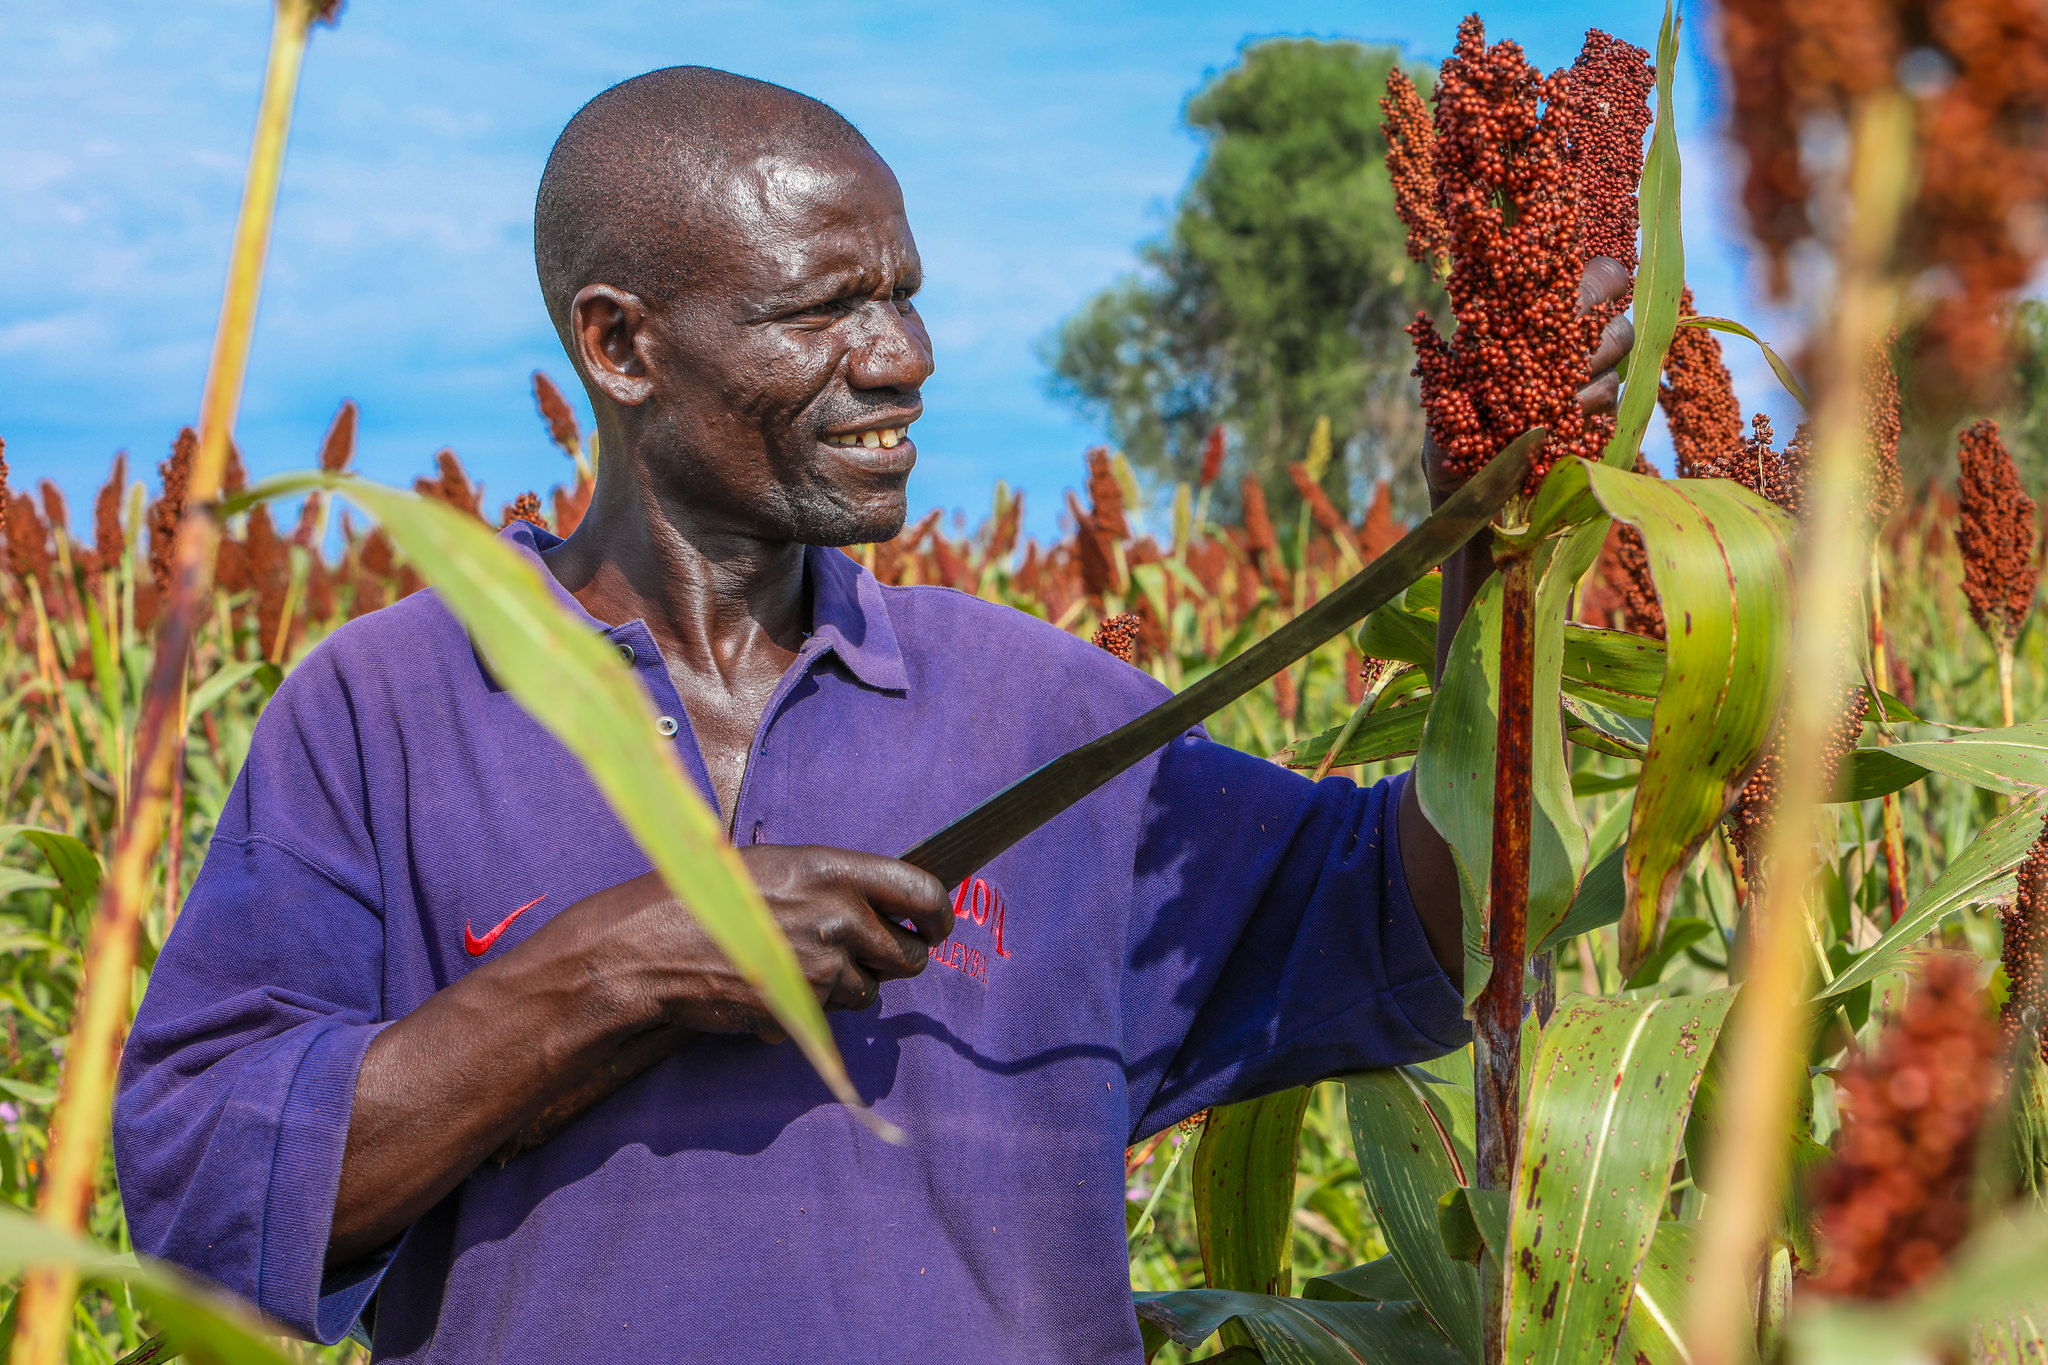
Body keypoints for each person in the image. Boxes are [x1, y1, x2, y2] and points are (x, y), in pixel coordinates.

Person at [114, 67, 1631, 1364]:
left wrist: (1500, 574)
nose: (901, 356)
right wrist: (625, 965)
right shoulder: (387, 710)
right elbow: (204, 1189)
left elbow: (1429, 916)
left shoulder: (1041, 711)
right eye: (826, 307)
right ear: (620, 345)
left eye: (904, 294)